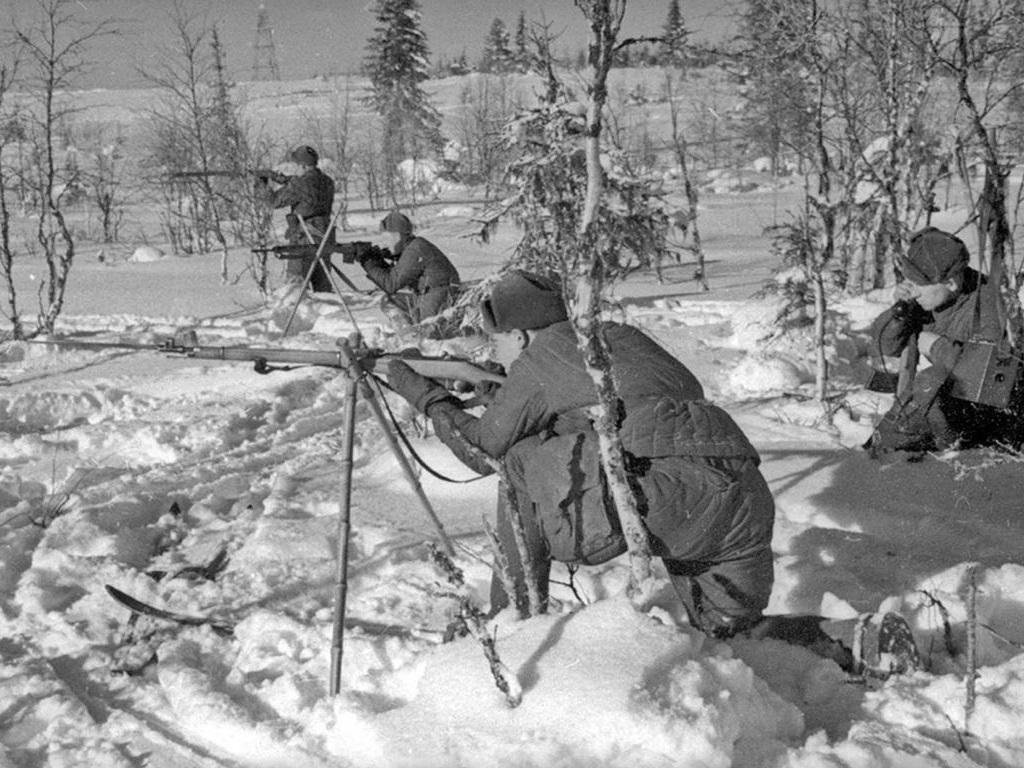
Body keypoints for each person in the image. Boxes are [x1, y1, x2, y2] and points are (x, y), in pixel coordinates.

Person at [385, 270, 776, 639]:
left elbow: (481, 450)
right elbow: (623, 408)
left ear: (520, 337)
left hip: (664, 498)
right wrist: (505, 397)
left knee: (517, 462)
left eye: (497, 340)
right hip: (742, 496)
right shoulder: (615, 335)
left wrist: (426, 397)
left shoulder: (544, 354)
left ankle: (510, 620)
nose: (494, 351)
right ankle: (828, 643)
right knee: (734, 636)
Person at [866, 226, 1023, 456]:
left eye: (919, 283)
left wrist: (936, 347)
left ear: (951, 283)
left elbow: (992, 384)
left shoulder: (990, 305)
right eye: (909, 280)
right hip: (951, 408)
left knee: (930, 381)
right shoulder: (927, 300)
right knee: (880, 451)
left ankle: (950, 459)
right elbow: (883, 346)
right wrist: (898, 315)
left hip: (999, 423)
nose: (913, 291)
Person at [355, 210, 460, 336]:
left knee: (430, 336)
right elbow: (396, 276)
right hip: (430, 295)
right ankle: (408, 334)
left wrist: (369, 262)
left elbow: (391, 284)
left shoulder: (415, 249)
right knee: (390, 301)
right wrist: (378, 262)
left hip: (437, 297)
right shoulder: (414, 246)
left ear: (399, 236)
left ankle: (410, 338)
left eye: (387, 237)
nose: (384, 243)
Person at [267, 145, 335, 292]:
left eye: (295, 165)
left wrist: (261, 182)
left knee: (295, 288)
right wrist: (286, 180)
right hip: (324, 238)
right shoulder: (328, 181)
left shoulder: (299, 184)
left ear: (302, 165)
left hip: (303, 241)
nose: (293, 169)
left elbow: (273, 201)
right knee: (323, 289)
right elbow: (310, 188)